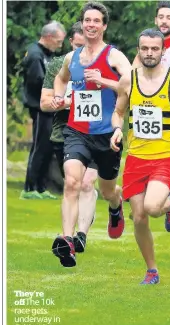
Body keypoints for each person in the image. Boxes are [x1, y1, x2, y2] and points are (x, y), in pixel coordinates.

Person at [111, 29, 170, 284]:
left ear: (163, 51)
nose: (149, 53)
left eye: (155, 49)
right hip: (136, 158)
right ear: (139, 50)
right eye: (145, 48)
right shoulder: (128, 80)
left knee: (152, 207)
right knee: (139, 217)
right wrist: (117, 129)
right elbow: (118, 112)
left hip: (165, 156)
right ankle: (152, 270)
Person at [51, 1, 132, 267]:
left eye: (97, 21)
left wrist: (104, 81)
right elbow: (61, 79)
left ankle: (115, 203)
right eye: (87, 20)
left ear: (104, 26)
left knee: (107, 189)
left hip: (107, 134)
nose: (91, 25)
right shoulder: (71, 58)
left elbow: (132, 84)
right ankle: (67, 241)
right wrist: (59, 97)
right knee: (72, 183)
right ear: (83, 24)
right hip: (77, 131)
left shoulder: (113, 56)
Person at [40, 22, 97, 253]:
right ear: (71, 42)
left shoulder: (103, 62)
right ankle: (70, 237)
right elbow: (44, 103)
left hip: (95, 131)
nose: (82, 49)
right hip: (64, 132)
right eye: (78, 44)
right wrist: (59, 102)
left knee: (87, 183)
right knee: (72, 184)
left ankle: (80, 235)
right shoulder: (58, 65)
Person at [21, 21, 66, 200]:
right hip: (40, 108)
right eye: (58, 41)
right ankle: (30, 187)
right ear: (48, 37)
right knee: (40, 147)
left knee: (47, 148)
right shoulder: (34, 55)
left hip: (49, 109)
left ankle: (40, 187)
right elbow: (38, 82)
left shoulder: (46, 55)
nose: (60, 45)